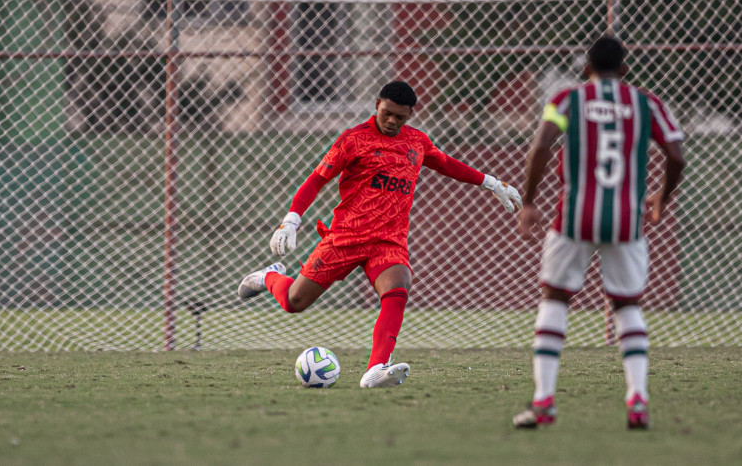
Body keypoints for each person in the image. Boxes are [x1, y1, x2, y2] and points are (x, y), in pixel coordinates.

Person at [238, 80, 522, 388]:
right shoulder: (352, 140)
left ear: (410, 114)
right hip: (345, 238)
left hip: (388, 241)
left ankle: (375, 369)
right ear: (377, 104)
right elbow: (316, 180)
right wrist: (291, 220)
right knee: (294, 302)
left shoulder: (417, 142)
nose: (391, 121)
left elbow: (447, 164)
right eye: (387, 113)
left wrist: (492, 183)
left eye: (400, 117)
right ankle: (268, 277)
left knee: (398, 287)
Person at [512, 36, 685, 429]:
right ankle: (637, 401)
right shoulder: (647, 103)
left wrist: (528, 200)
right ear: (625, 71)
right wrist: (662, 196)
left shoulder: (566, 100)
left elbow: (540, 146)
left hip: (573, 219)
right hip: (627, 221)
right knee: (627, 305)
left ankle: (543, 403)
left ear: (585, 69)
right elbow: (676, 155)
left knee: (555, 298)